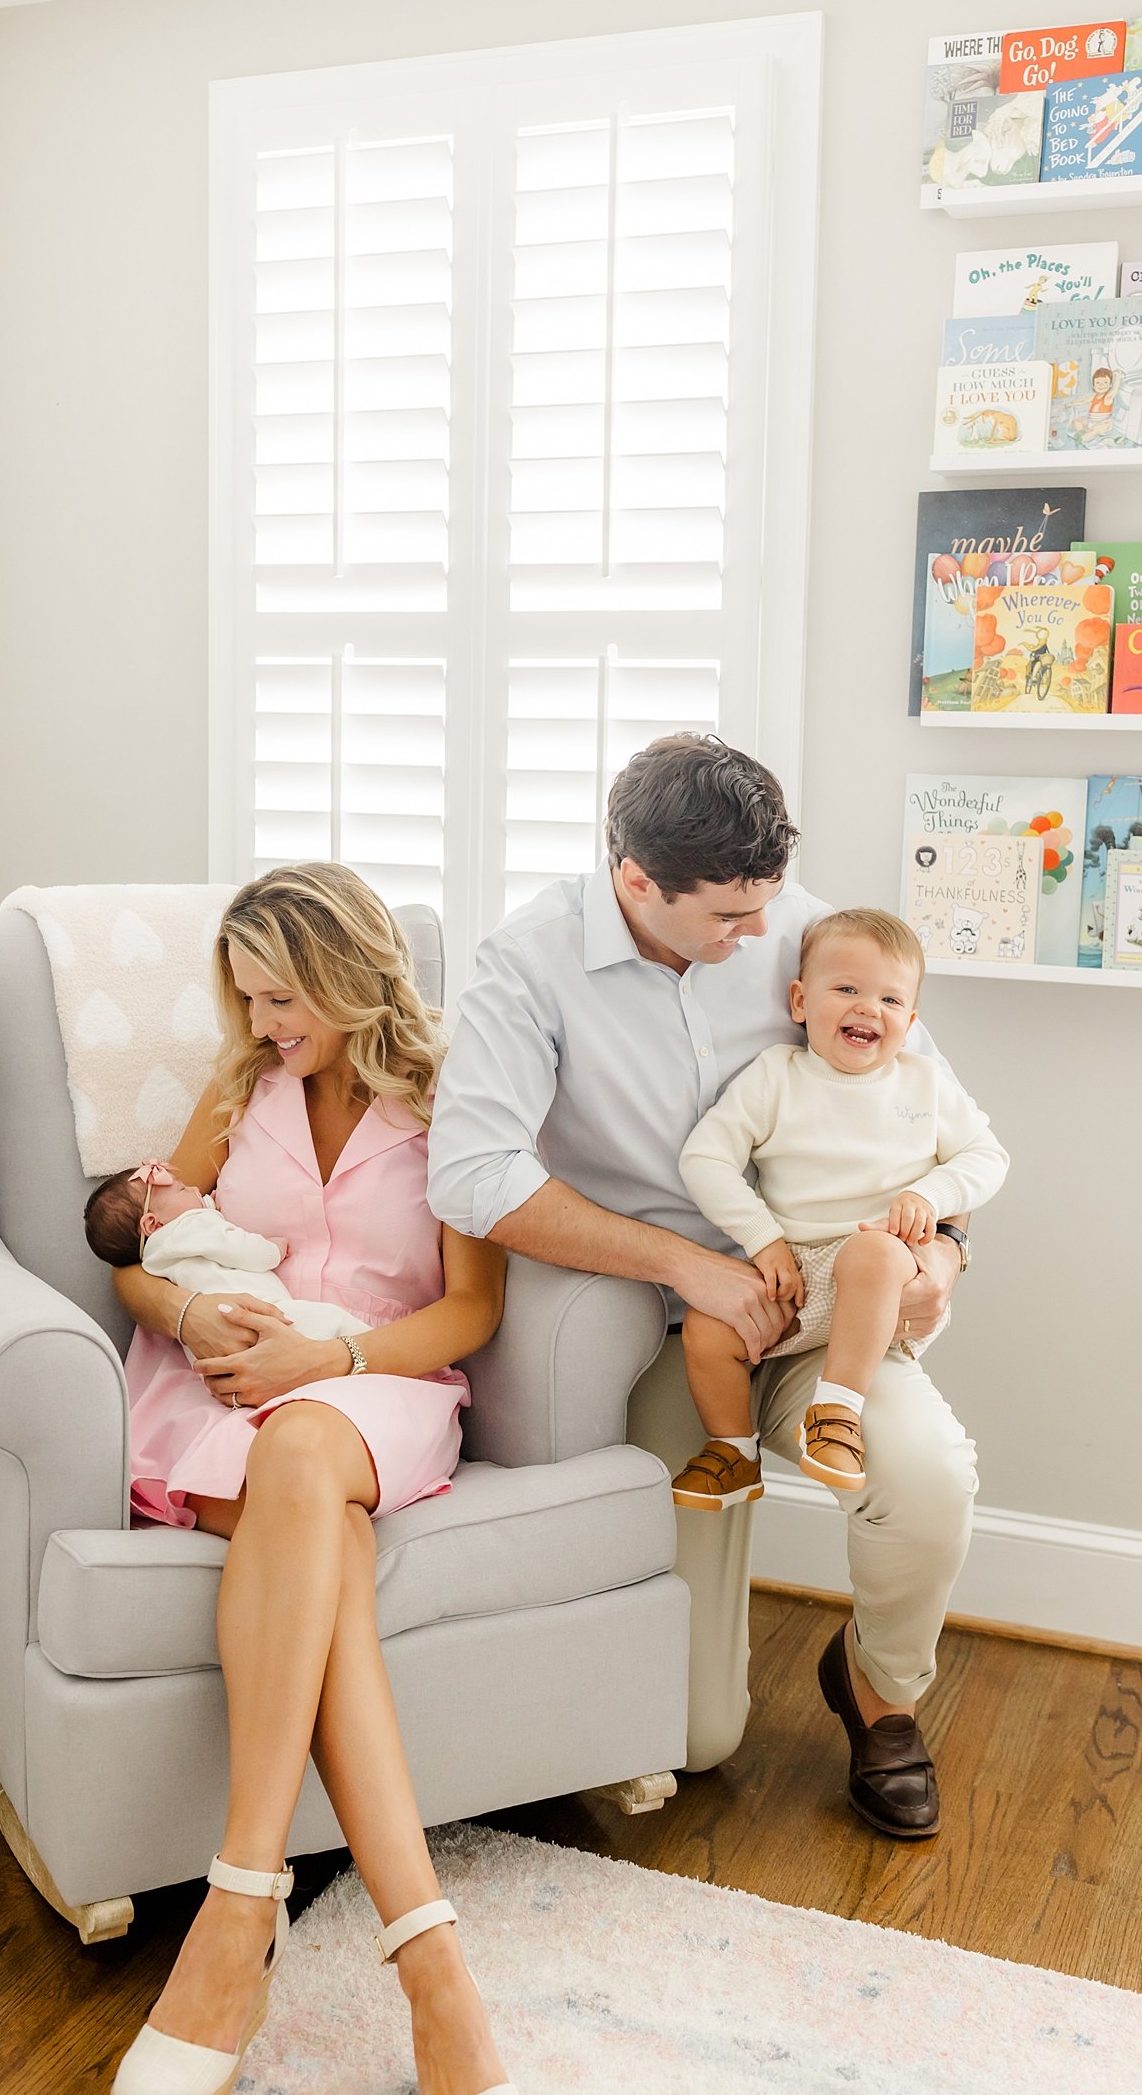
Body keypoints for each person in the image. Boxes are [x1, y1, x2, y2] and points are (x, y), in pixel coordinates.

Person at [427, 735, 977, 1843]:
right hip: (671, 1324)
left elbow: (925, 1106)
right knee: (697, 1737)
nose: (757, 936)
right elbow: (470, 1172)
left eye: (764, 904)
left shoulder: (797, 922)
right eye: (728, 918)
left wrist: (942, 1255)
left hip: (828, 1301)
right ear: (637, 882)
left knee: (928, 1486)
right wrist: (695, 1269)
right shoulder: (527, 964)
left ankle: (880, 1692)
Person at [104, 863, 514, 2095]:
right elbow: (141, 1258)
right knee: (316, 1542)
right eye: (247, 1001)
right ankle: (433, 1968)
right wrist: (189, 1306)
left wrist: (327, 1353)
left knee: (305, 1456)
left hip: (380, 1383)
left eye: (282, 997)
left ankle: (237, 1916)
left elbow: (474, 1311)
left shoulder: (455, 1098)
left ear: (346, 969)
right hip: (226, 1391)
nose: (265, 1025)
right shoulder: (241, 1094)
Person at [671, 907, 1007, 1506]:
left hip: (880, 1276)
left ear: (909, 1020)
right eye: (846, 989)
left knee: (872, 1253)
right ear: (800, 1001)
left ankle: (837, 1413)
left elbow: (987, 1157)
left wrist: (929, 1197)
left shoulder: (924, 1082)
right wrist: (762, 1239)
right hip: (790, 1272)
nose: (867, 1008)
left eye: (889, 999)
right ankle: (733, 1451)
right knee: (706, 1326)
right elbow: (704, 1158)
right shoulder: (777, 1075)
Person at [84, 1158, 371, 1351]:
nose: (197, 1189)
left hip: (216, 1343)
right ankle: (375, 1347)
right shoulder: (191, 1225)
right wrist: (273, 1249)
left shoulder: (155, 1259)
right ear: (152, 1223)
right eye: (183, 1189)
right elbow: (239, 1249)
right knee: (331, 1321)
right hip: (263, 1313)